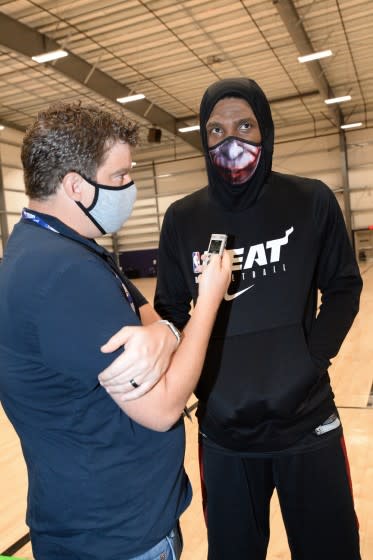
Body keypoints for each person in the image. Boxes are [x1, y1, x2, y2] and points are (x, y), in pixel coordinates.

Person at [100, 78, 363, 560]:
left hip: (307, 423)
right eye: (216, 129)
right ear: (203, 137)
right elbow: (173, 310)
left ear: (266, 130)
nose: (231, 140)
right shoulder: (183, 218)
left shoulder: (311, 201)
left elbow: (345, 287)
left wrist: (310, 358)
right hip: (225, 433)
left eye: (245, 125)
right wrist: (199, 376)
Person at [0, 101, 230, 560]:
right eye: (121, 176)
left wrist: (167, 333)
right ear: (75, 186)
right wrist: (207, 301)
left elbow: (149, 319)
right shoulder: (64, 274)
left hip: (101, 522)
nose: (130, 187)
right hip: (116, 537)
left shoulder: (58, 246)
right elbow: (163, 407)